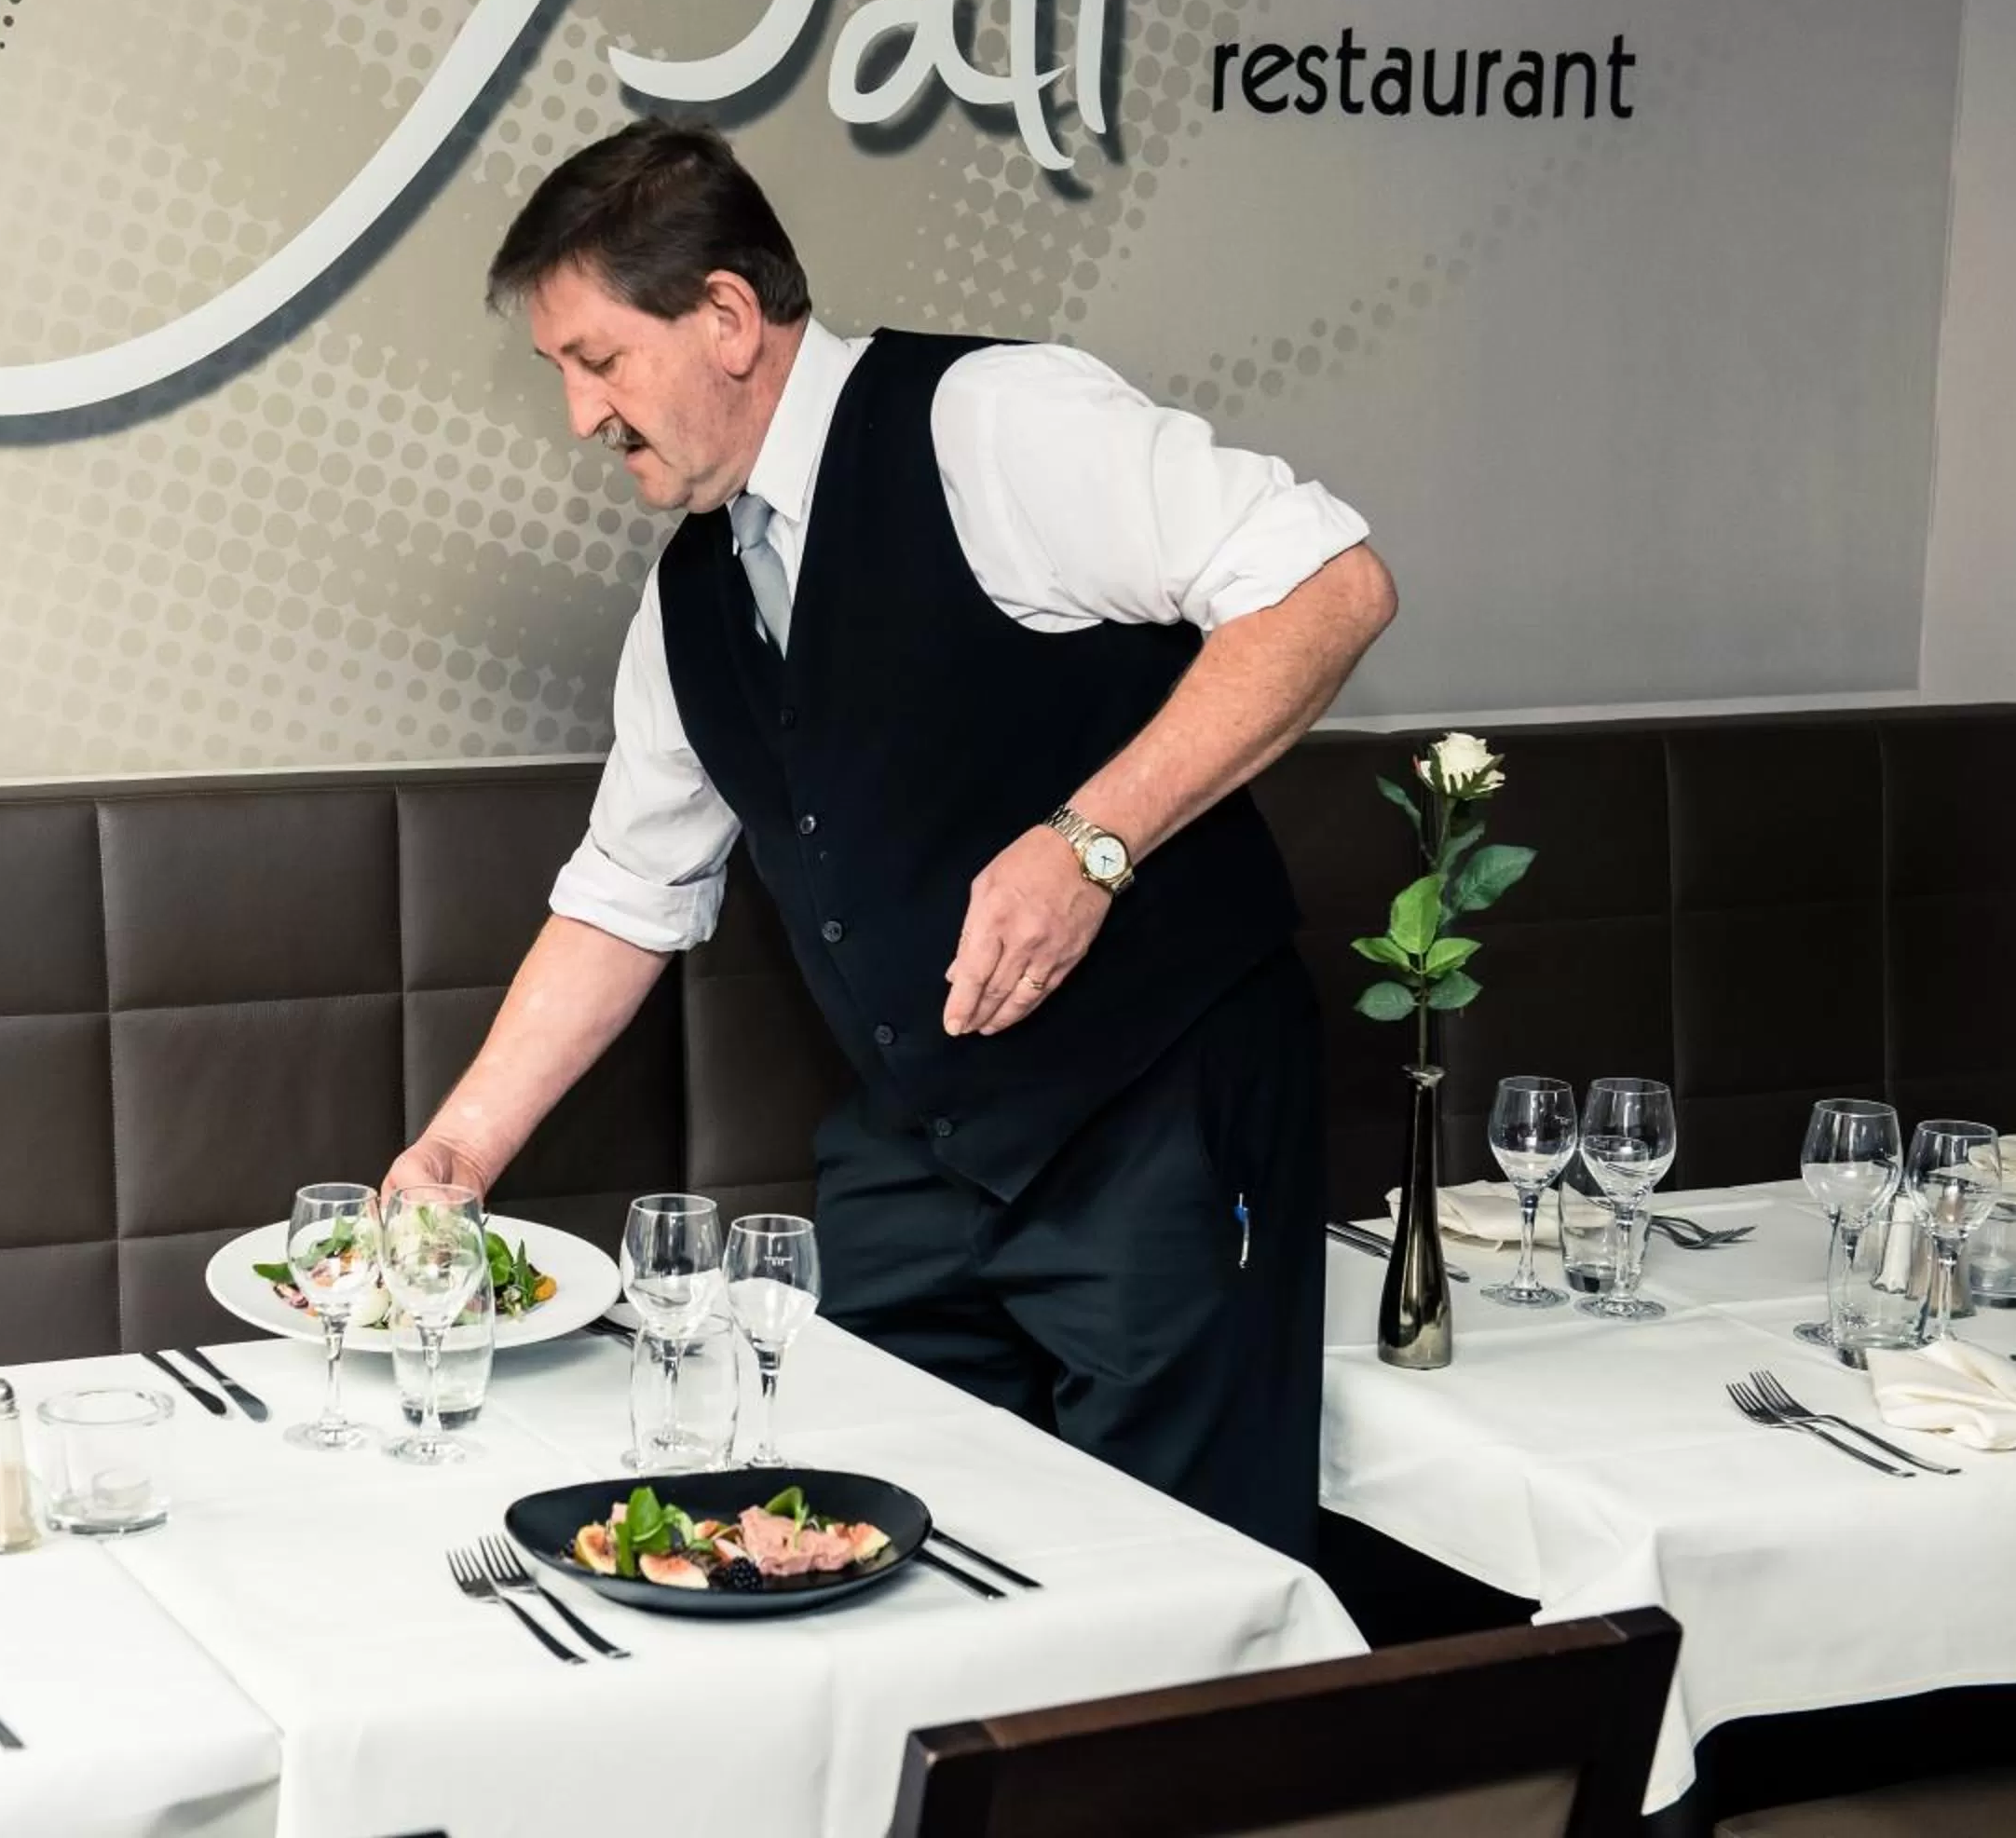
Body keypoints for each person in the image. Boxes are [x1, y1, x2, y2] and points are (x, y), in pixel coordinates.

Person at [378, 119, 1395, 1559]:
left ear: (726, 317)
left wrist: (1089, 843)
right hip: (914, 1163)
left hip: (1159, 1121)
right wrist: (457, 1157)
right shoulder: (691, 597)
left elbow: (1325, 586)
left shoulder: (994, 418)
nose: (580, 417)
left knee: (1181, 1584)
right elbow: (626, 893)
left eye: (596, 361)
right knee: (879, 1567)